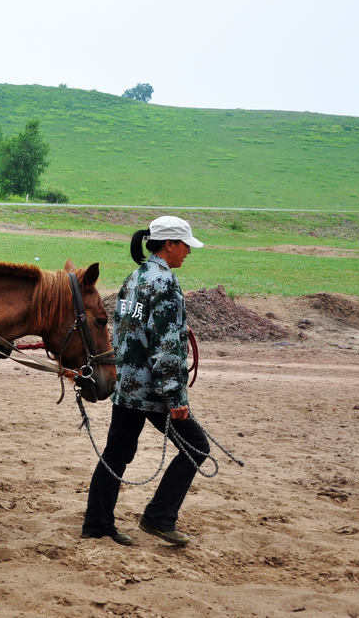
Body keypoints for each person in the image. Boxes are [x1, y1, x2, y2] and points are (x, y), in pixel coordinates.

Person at [81, 215, 211, 547]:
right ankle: (159, 518)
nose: (188, 252)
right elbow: (166, 345)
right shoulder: (165, 283)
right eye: (185, 245)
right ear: (169, 244)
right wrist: (176, 395)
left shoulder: (135, 278)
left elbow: (130, 331)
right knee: (197, 448)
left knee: (116, 453)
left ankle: (97, 524)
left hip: (126, 385)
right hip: (152, 389)